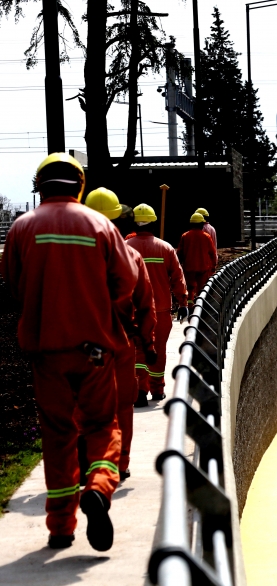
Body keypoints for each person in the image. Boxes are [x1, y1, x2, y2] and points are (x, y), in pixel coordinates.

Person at [0, 153, 137, 551]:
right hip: (94, 350)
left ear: (39, 185)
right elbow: (125, 282)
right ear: (79, 184)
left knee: (58, 434)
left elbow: (13, 285)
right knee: (101, 426)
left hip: (46, 351)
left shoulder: (23, 227)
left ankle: (61, 528)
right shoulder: (98, 225)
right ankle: (98, 487)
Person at [84, 189, 157, 482]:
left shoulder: (78, 258)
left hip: (89, 346)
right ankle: (120, 463)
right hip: (122, 342)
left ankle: (91, 461)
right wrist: (148, 343)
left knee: (89, 401)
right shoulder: (131, 256)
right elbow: (145, 304)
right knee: (123, 405)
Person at [127, 203, 188, 405]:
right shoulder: (165, 248)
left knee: (138, 351)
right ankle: (158, 389)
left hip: (134, 310)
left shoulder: (125, 247)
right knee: (158, 349)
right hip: (161, 309)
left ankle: (140, 391)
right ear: (153, 223)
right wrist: (183, 302)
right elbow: (178, 278)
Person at [177, 212, 217, 305]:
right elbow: (212, 253)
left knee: (190, 288)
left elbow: (180, 253)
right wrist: (213, 265)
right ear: (201, 224)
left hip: (189, 268)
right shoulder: (206, 237)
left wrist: (179, 264)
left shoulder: (185, 236)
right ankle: (200, 306)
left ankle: (190, 305)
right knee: (201, 289)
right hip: (203, 268)